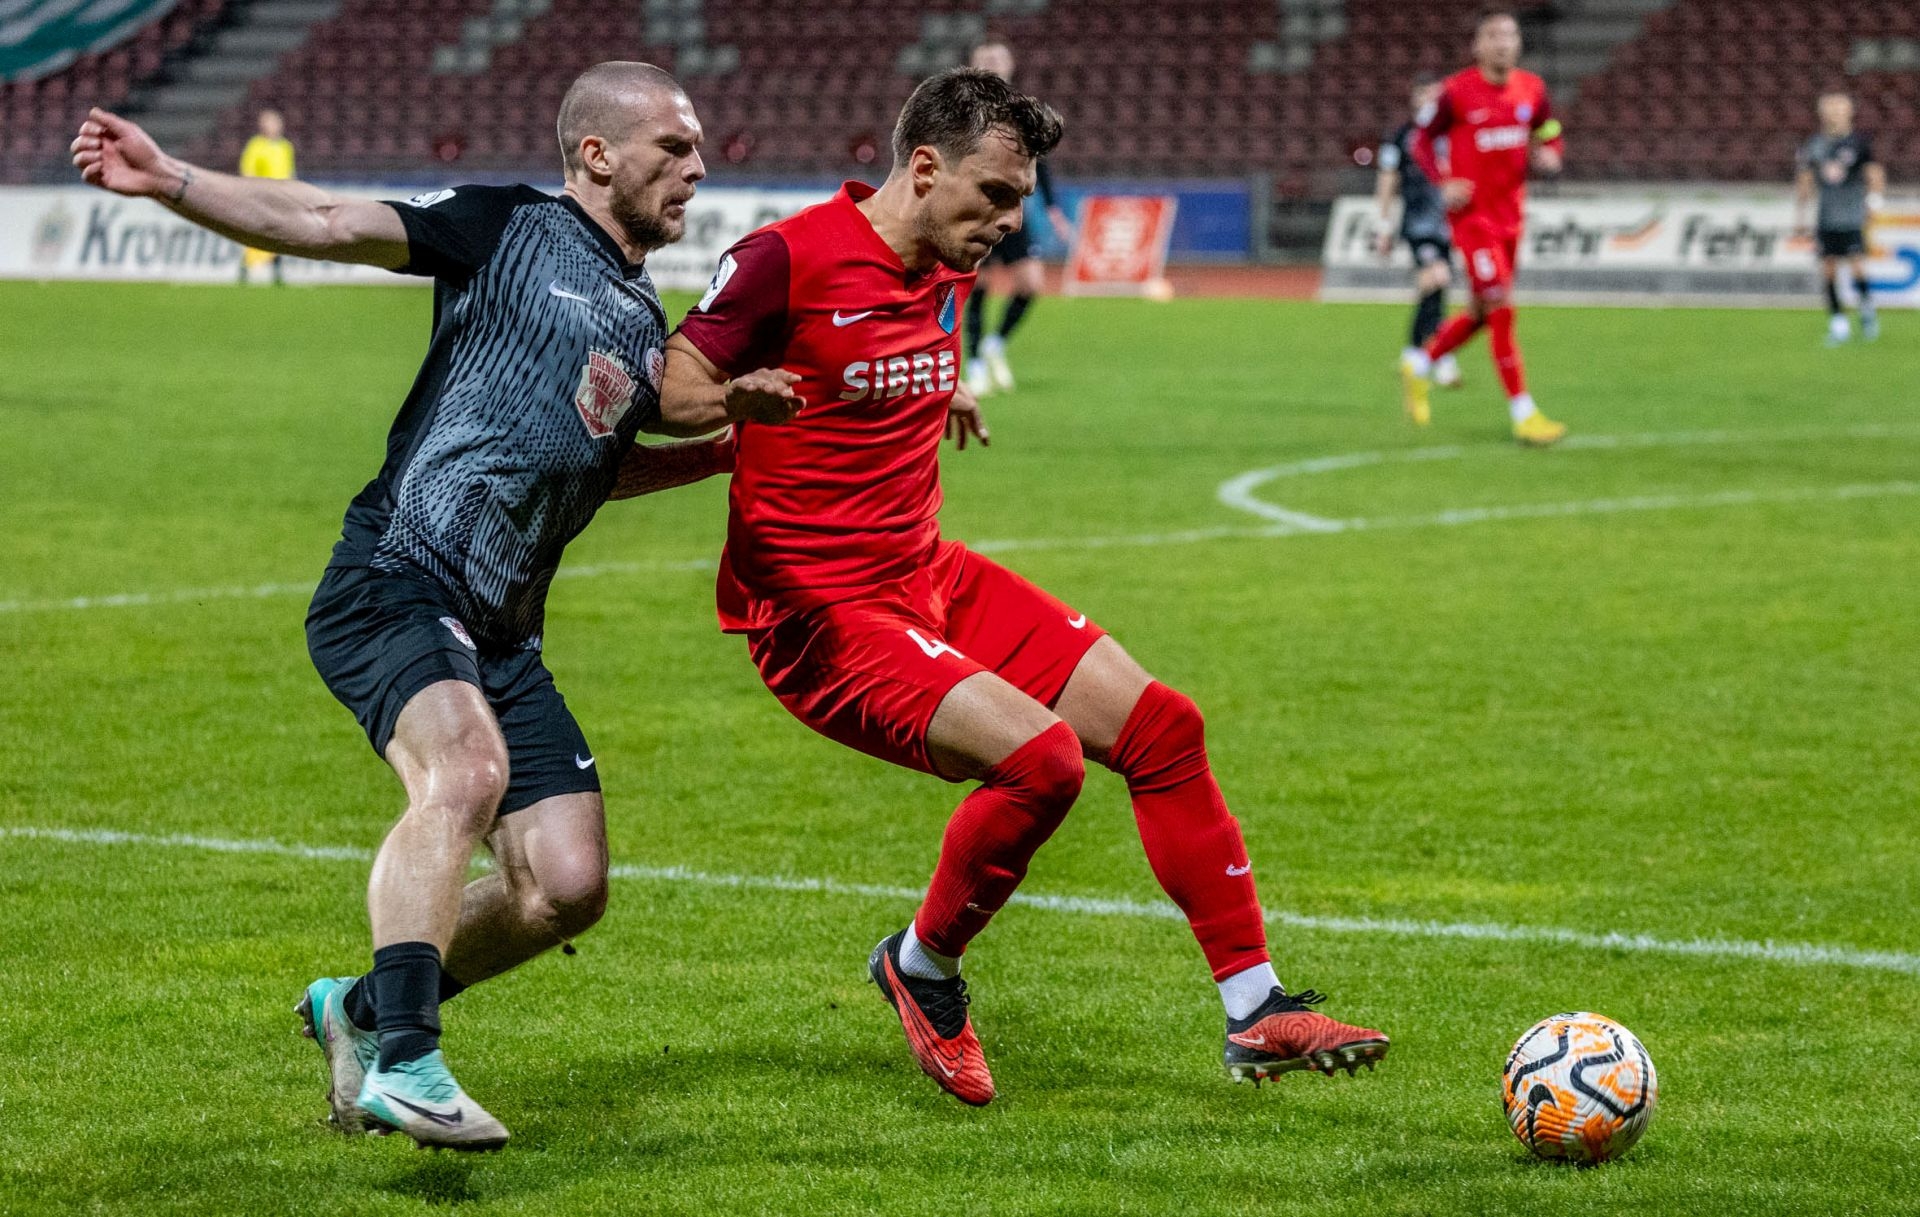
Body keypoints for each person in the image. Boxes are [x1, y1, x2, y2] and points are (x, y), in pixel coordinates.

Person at [71, 62, 799, 1150]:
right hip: (397, 576)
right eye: (674, 147)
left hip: (502, 628)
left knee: (565, 885)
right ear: (599, 154)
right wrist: (170, 177)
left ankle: (360, 1009)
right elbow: (324, 220)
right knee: (463, 771)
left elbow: (586, 465)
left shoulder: (640, 317)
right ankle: (408, 1062)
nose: (698, 168)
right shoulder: (505, 226)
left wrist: (723, 446)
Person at [662, 68, 1389, 1107]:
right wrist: (736, 396)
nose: (1012, 221)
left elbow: (875, 359)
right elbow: (672, 381)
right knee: (1042, 761)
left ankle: (1256, 1006)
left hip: (926, 573)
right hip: (822, 613)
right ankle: (922, 966)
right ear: (924, 168)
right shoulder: (784, 258)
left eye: (1021, 199)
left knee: (1164, 729)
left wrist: (934, 391)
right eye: (996, 195)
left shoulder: (942, 261)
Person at [1399, 10, 1568, 446]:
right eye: (1492, 35)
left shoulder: (1532, 88)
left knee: (1479, 313)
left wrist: (1551, 150)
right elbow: (1419, 140)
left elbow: (1548, 127)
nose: (1502, 43)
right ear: (1477, 46)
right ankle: (1524, 413)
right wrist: (1442, 182)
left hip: (1511, 216)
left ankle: (1420, 365)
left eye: (1509, 35)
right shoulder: (1456, 92)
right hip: (1473, 219)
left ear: (1519, 43)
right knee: (1501, 308)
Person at [962, 39, 1072, 396]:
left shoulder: (1023, 112)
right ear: (973, 64)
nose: (992, 63)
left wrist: (1053, 209)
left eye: (998, 57)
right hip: (976, 211)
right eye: (985, 58)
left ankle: (995, 344)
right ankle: (975, 364)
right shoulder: (962, 109)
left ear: (1010, 64)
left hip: (1011, 210)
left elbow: (1041, 161)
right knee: (978, 286)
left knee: (1031, 284)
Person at [1374, 74, 1462, 396]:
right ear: (1414, 98)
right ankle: (1442, 358)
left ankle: (1413, 353)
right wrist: (1383, 224)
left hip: (1447, 223)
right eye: (1424, 94)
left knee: (1433, 289)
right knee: (1437, 278)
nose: (1429, 100)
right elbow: (1387, 178)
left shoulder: (1451, 132)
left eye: (1434, 95)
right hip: (1417, 224)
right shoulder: (1401, 137)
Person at [1795, 91, 1886, 345]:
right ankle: (1839, 323)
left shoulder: (1859, 143)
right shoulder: (1814, 144)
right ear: (1821, 113)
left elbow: (1874, 174)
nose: (1833, 114)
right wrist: (1801, 214)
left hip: (1852, 215)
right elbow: (1805, 179)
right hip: (1826, 217)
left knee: (1857, 266)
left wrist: (1874, 202)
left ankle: (1866, 307)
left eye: (1838, 109)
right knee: (1828, 270)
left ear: (1849, 112)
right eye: (1829, 109)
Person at [237, 109, 295, 284]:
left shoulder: (286, 146)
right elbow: (247, 171)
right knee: (258, 231)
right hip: (262, 197)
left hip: (282, 197)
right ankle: (246, 266)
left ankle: (277, 268)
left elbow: (289, 172)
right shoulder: (256, 145)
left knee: (280, 232)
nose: (274, 126)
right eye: (269, 122)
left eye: (276, 122)